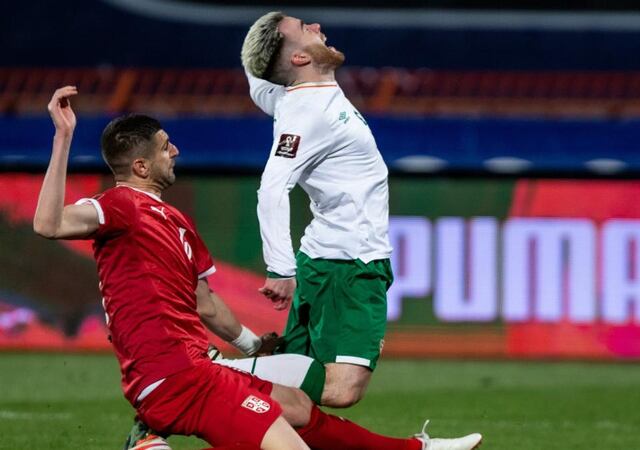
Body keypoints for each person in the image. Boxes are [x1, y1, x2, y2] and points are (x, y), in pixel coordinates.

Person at [35, 87, 482, 450]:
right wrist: (63, 139)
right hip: (177, 379)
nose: (175, 149)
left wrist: (252, 346)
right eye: (164, 146)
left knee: (298, 407)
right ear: (139, 165)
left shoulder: (175, 222)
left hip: (197, 369)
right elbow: (49, 223)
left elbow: (205, 303)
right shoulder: (120, 206)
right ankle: (148, 439)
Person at [241, 11, 394, 410]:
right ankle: (210, 376)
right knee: (342, 390)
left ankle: (210, 384)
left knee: (296, 399)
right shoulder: (308, 113)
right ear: (298, 59)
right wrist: (279, 267)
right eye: (304, 29)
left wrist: (255, 54)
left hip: (327, 260)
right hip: (347, 266)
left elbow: (260, 82)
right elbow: (272, 188)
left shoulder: (294, 97)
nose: (317, 27)